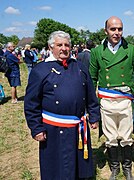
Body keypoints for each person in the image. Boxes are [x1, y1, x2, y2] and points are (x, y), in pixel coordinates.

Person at [24, 31, 100, 179]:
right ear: (51, 47)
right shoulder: (40, 70)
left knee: (79, 168)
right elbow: (31, 103)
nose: (64, 48)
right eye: (59, 45)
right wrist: (36, 128)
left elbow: (90, 94)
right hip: (53, 130)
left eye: (67, 45)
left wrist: (94, 115)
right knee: (57, 169)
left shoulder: (80, 67)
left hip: (78, 128)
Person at [90, 16, 134, 180]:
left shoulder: (132, 49)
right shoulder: (97, 52)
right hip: (106, 101)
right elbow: (92, 79)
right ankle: (115, 167)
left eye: (119, 29)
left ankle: (127, 167)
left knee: (127, 136)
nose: (117, 32)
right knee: (111, 137)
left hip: (125, 101)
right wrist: (91, 105)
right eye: (113, 29)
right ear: (105, 30)